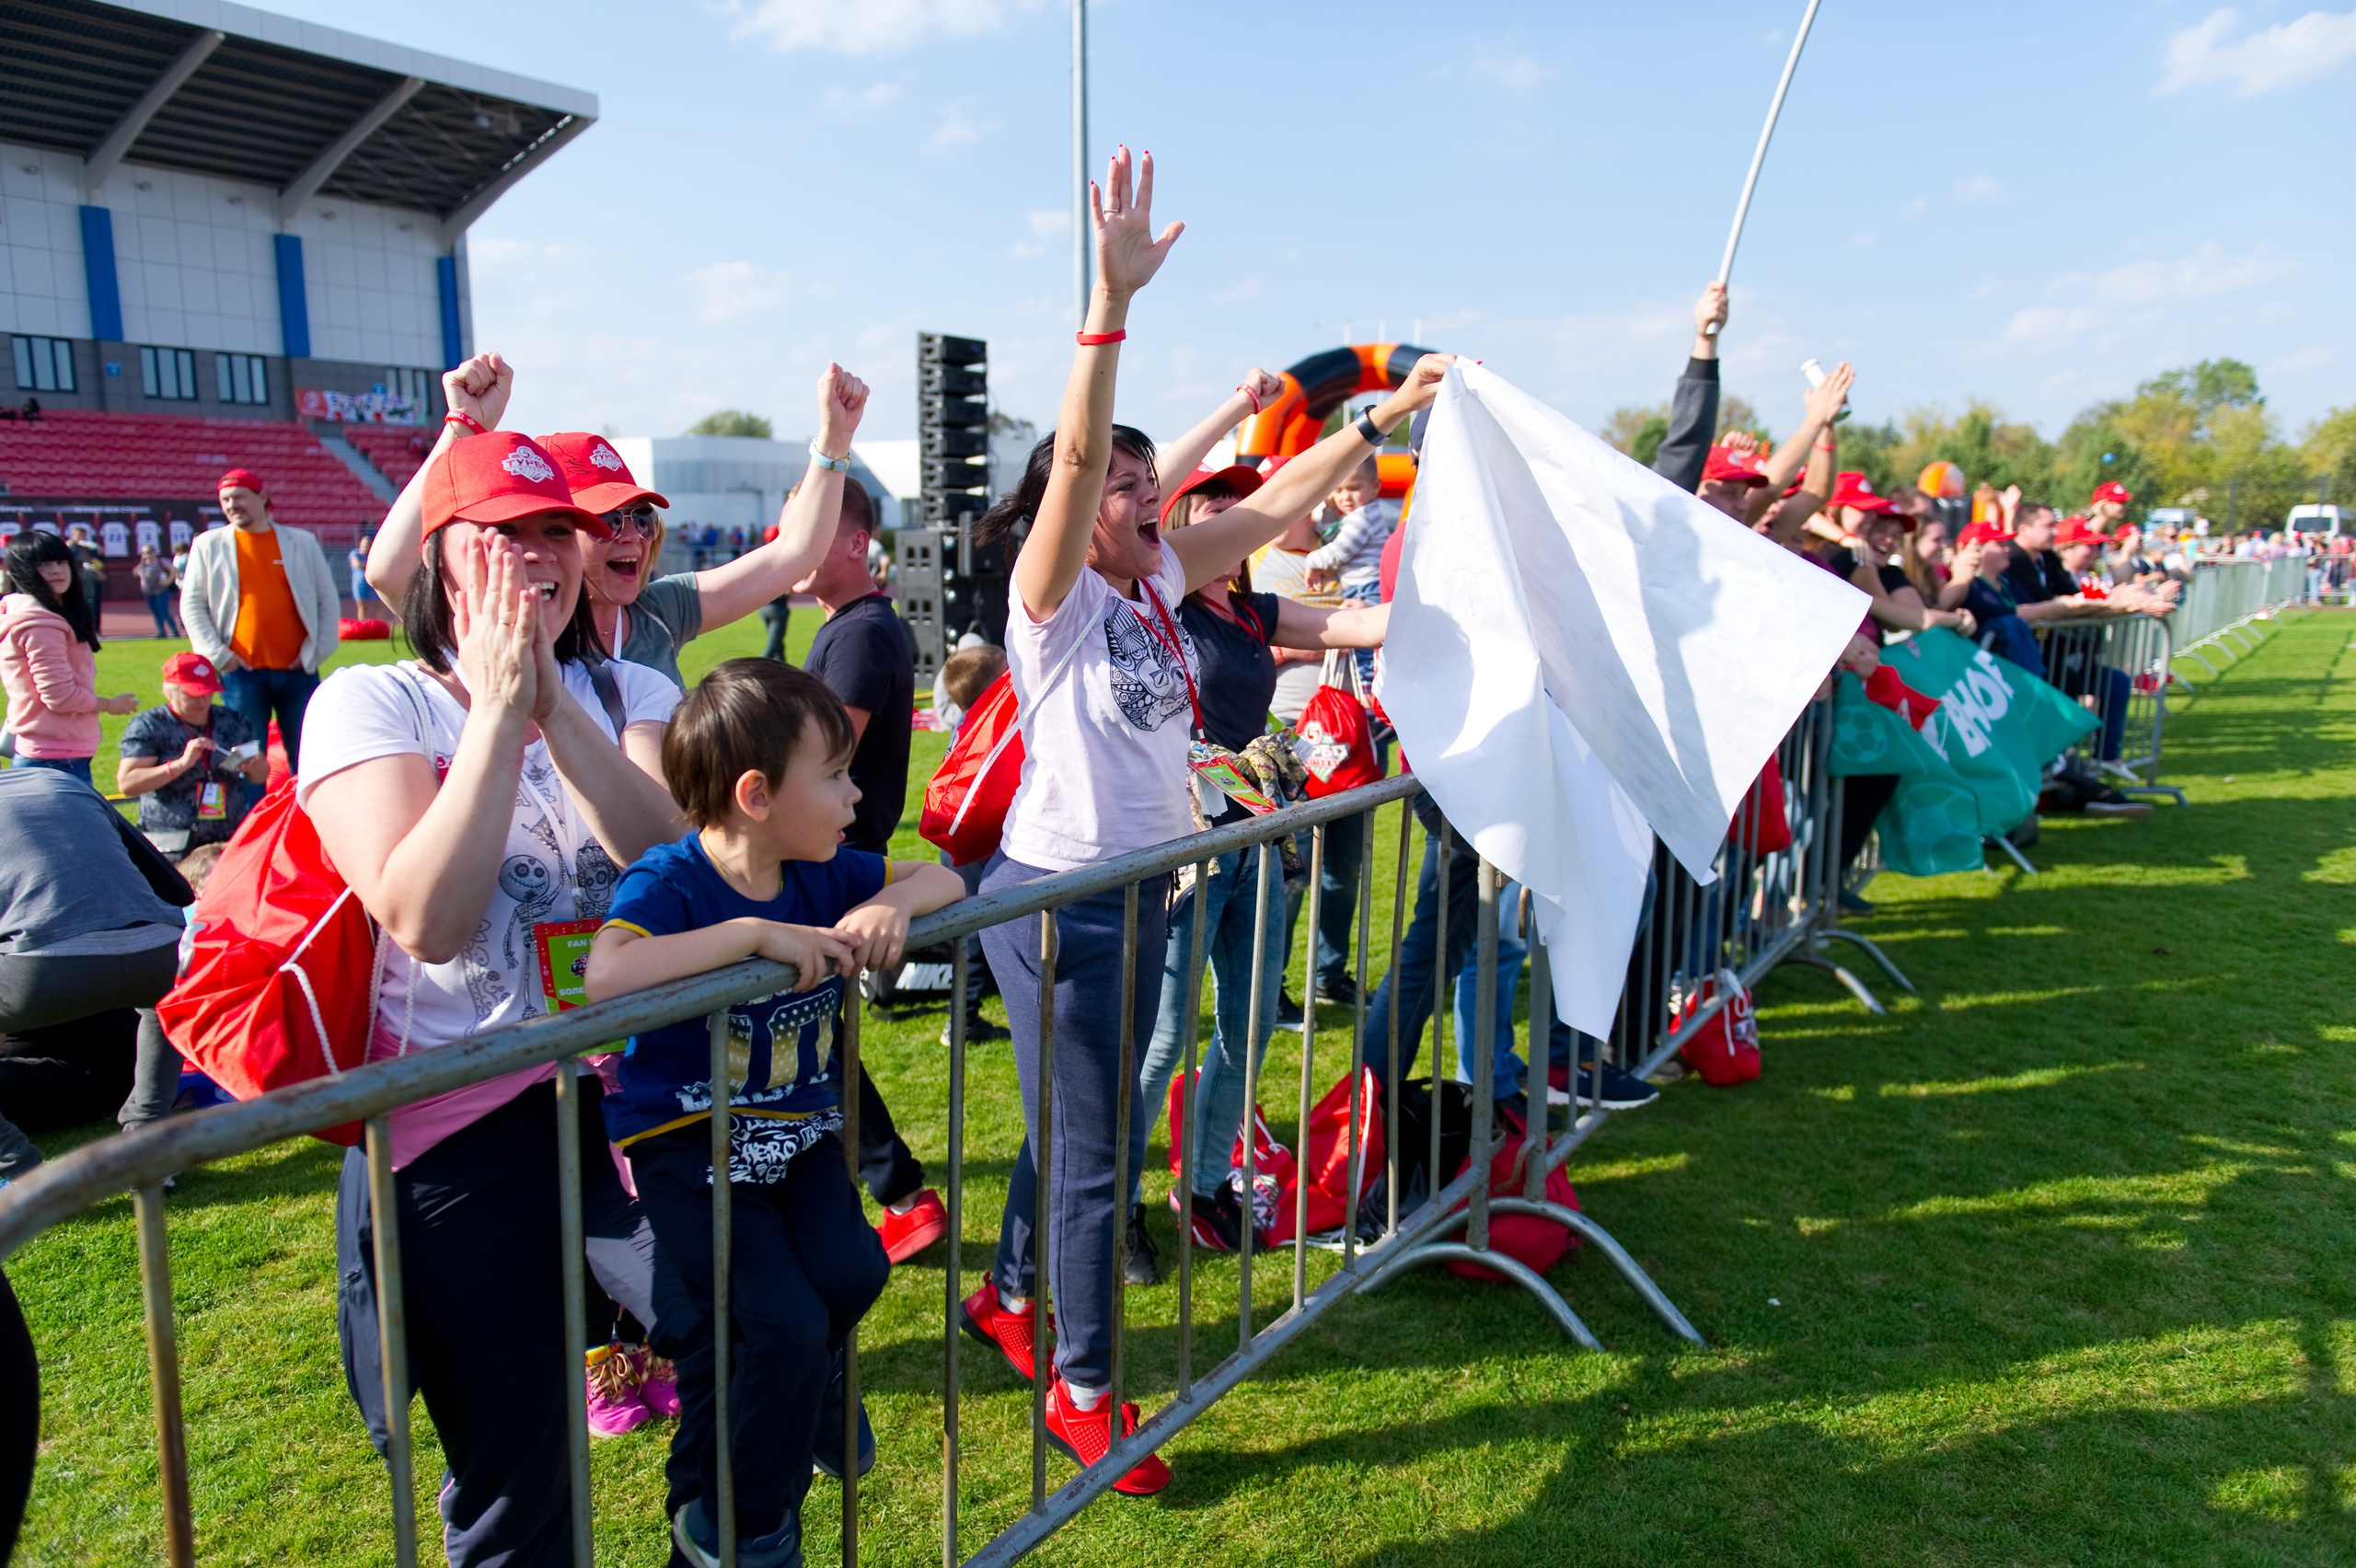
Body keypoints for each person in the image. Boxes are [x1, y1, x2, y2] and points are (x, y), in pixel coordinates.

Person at [950, 144, 1451, 1497]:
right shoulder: (1052, 600)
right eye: (1121, 486)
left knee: (1082, 1128)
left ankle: (1008, 1294)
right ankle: (1087, 1393)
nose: (1142, 496)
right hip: (1062, 906)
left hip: (1139, 887)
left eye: (1137, 484)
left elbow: (1279, 508)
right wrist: (1108, 311)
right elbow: (1070, 469)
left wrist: (1381, 413)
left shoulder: (1162, 572)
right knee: (1101, 1152)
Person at [302, 431, 686, 1568]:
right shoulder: (371, 706)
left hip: (624, 1103)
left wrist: (554, 710)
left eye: (557, 530)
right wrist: (489, 715)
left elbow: (668, 866)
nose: (541, 554)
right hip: (458, 1130)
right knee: (522, 1483)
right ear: (442, 558)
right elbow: (424, 915)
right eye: (504, 533)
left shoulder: (629, 688)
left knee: (760, 1338)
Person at [584, 660, 963, 1566]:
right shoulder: (669, 882)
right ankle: (747, 1526)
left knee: (856, 1275)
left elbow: (942, 880)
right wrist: (752, 938)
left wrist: (884, 903)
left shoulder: (823, 869)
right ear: (755, 795)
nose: (855, 793)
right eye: (833, 775)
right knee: (780, 1326)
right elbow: (607, 976)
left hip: (797, 1138)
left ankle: (819, 1392)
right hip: (693, 1148)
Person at [1130, 459, 1395, 1261]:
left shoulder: (1253, 611)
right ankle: (1111, 1208)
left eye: (1244, 508)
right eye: (1219, 507)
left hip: (1255, 837)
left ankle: (1206, 1184)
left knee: (1247, 1026)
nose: (1239, 520)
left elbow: (1356, 625)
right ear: (1185, 527)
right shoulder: (1160, 607)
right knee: (1167, 1037)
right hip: (1184, 851)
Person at [365, 357, 866, 694]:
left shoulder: (661, 611)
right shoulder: (514, 622)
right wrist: (463, 427)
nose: (631, 535)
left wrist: (834, 441)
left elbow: (795, 553)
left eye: (641, 515)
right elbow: (388, 571)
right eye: (605, 519)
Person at [793, 478, 954, 1263]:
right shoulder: (849, 626)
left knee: (811, 1038)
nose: (789, 542)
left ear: (856, 542)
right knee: (815, 1037)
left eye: (810, 526)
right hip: (830, 854)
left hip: (830, 859)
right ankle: (899, 1191)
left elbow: (819, 760)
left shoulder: (859, 634)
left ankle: (900, 1192)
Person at [0, 766, 192, 1181]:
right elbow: (178, 890)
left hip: (41, 974)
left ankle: (16, 1168)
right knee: (161, 1005)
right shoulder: (60, 781)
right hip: (159, 955)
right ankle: (148, 1141)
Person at [179, 469, 343, 770]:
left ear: (262, 498)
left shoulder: (301, 543)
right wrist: (220, 657)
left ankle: (307, 817)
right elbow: (192, 604)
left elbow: (327, 600)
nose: (231, 505)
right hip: (240, 674)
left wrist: (315, 652)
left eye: (239, 496)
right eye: (225, 499)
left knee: (309, 757)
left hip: (298, 671)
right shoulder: (207, 545)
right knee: (244, 760)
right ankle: (248, 817)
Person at [0, 532, 139, 783]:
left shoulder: (32, 614)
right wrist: (110, 705)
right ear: (22, 571)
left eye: (60, 562)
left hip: (50, 751)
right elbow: (60, 697)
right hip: (54, 756)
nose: (55, 570)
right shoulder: (41, 624)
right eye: (42, 565)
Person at [117, 651, 269, 855]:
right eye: (192, 694)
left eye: (208, 692)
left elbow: (260, 776)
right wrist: (181, 765)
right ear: (170, 691)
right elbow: (128, 784)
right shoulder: (149, 726)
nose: (202, 700)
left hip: (227, 833)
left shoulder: (234, 721)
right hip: (171, 839)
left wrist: (255, 766)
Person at [133, 543, 179, 637]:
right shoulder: (144, 565)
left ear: (154, 552)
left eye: (149, 552)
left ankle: (174, 631)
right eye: (145, 553)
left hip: (161, 591)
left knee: (163, 612)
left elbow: (174, 570)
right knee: (156, 613)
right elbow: (135, 573)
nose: (147, 555)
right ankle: (161, 632)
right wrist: (141, 562)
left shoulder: (161, 562)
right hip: (148, 592)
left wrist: (168, 581)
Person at [64, 526, 105, 626]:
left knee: (94, 604)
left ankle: (95, 629)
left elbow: (101, 563)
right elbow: (69, 561)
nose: (81, 538)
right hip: (75, 579)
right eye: (78, 536)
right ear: (73, 536)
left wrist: (97, 560)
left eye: (83, 536)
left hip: (91, 578)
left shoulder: (91, 548)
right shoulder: (70, 547)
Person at [350, 531, 377, 606]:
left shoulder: (372, 555)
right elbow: (357, 564)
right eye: (364, 545)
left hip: (372, 585)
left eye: (367, 546)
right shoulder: (355, 554)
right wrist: (369, 568)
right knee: (362, 607)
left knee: (376, 606)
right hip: (360, 584)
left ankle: (381, 619)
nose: (365, 547)